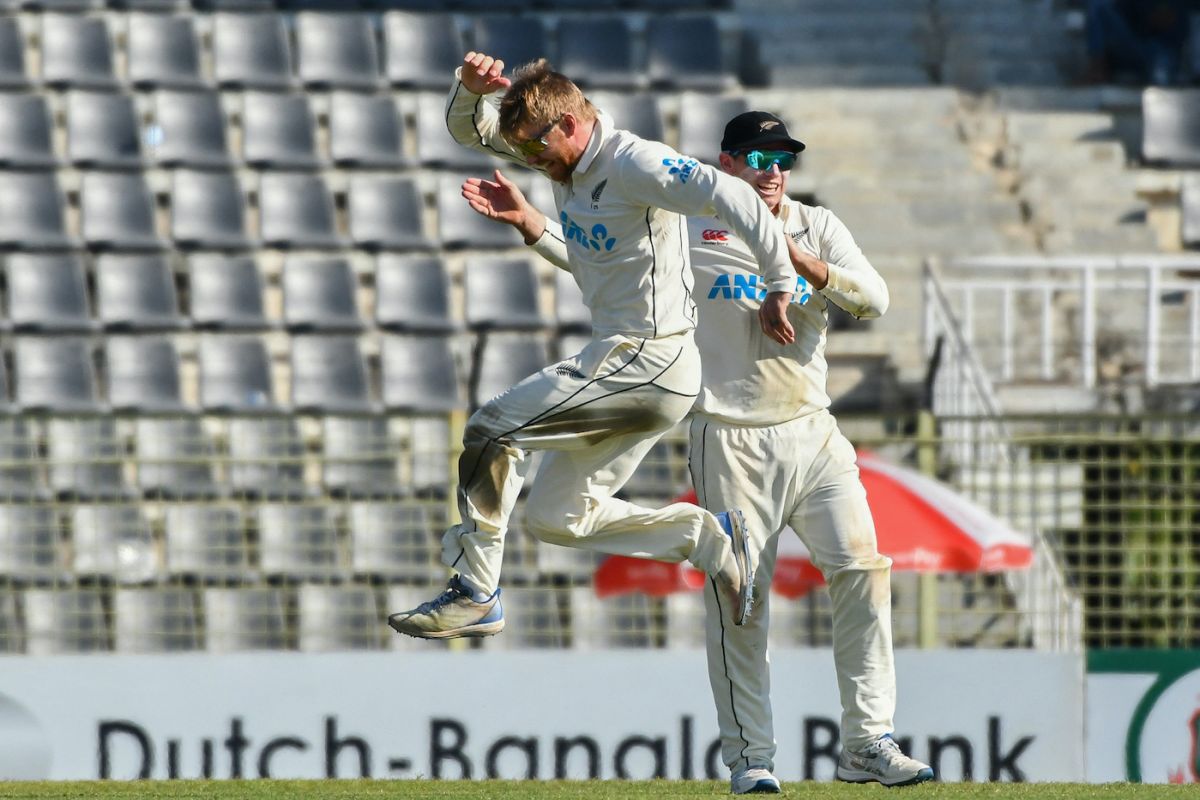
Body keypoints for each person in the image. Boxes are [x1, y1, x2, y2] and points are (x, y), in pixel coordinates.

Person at [460, 108, 935, 793]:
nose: (773, 170)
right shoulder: (690, 222)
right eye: (758, 157)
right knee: (740, 599)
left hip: (813, 431)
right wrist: (536, 227)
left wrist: (808, 266)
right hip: (728, 436)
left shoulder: (817, 226)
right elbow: (601, 260)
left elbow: (876, 301)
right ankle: (753, 760)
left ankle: (866, 741)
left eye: (783, 159)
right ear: (729, 163)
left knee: (863, 570)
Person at [387, 53, 800, 640]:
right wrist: (468, 91)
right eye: (523, 152)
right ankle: (708, 539)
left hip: (649, 358)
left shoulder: (636, 162)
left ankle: (476, 590)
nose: (529, 161)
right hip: (635, 369)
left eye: (534, 149)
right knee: (557, 518)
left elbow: (728, 195)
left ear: (570, 125)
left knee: (492, 430)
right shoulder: (565, 164)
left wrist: (780, 281)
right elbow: (471, 132)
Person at [1085, 0, 1191, 86]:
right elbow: (1124, 14)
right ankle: (1097, 69)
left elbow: (1171, 21)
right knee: (1098, 4)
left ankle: (1162, 77)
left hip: (1163, 51)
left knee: (1162, 73)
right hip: (1136, 46)